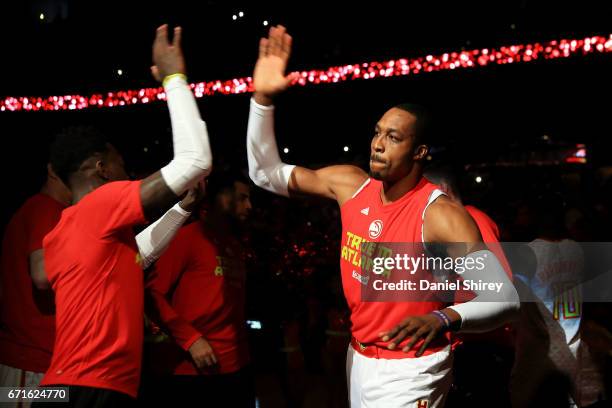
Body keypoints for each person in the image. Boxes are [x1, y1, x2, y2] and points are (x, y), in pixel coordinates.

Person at [246, 25, 519, 407]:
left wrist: (444, 318)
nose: (377, 143)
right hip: (359, 357)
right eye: (377, 133)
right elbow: (263, 173)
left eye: (393, 137)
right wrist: (261, 100)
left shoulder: (439, 215)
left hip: (412, 370)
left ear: (420, 152)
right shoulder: (350, 186)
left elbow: (504, 297)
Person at [33, 24, 212, 407]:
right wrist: (174, 79)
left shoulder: (65, 228)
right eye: (120, 162)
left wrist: (181, 209)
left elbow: (135, 258)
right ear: (100, 167)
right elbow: (195, 161)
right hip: (91, 389)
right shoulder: (102, 203)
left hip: (61, 389)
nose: (127, 171)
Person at [144, 170, 255, 407]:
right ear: (222, 198)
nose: (249, 206)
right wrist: (192, 340)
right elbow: (151, 294)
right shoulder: (185, 237)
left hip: (236, 366)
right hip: (192, 370)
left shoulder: (235, 245)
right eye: (242, 198)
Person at [0, 165, 71, 408]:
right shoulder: (45, 208)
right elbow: (42, 275)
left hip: (44, 364)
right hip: (29, 364)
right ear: (53, 170)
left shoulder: (49, 210)